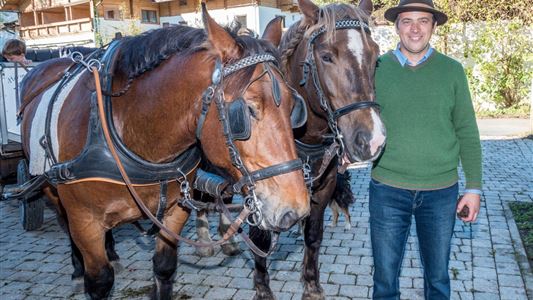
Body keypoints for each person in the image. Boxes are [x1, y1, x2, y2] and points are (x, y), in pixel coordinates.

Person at [370, 0, 482, 299]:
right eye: (407, 20)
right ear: (396, 26)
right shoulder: (376, 69)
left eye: (423, 20)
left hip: (440, 193)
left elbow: (467, 131)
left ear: (434, 26)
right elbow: (358, 122)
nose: (415, 28)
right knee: (384, 282)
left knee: (438, 280)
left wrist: (474, 187)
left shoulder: (452, 71)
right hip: (387, 192)